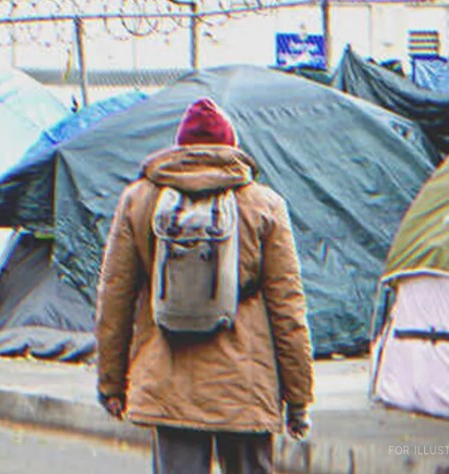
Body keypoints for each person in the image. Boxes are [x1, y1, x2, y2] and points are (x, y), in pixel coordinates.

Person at [96, 97, 314, 474]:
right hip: (245, 384)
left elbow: (114, 297)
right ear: (232, 146)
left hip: (168, 381)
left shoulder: (139, 200)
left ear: (181, 147)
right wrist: (298, 397)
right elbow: (288, 308)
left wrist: (111, 383)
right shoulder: (263, 205)